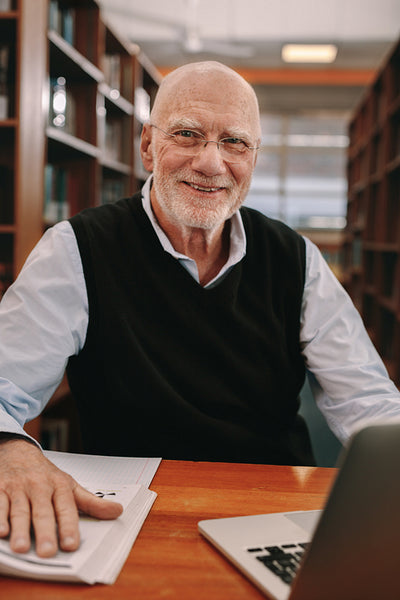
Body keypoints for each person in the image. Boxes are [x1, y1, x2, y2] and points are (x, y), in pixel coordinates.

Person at [1, 61, 400, 559]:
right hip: (129, 517)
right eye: (188, 135)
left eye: (235, 142)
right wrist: (9, 451)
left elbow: (370, 404)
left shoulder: (295, 258)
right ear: (148, 146)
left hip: (269, 511)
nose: (212, 163)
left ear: (254, 159)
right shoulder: (76, 250)